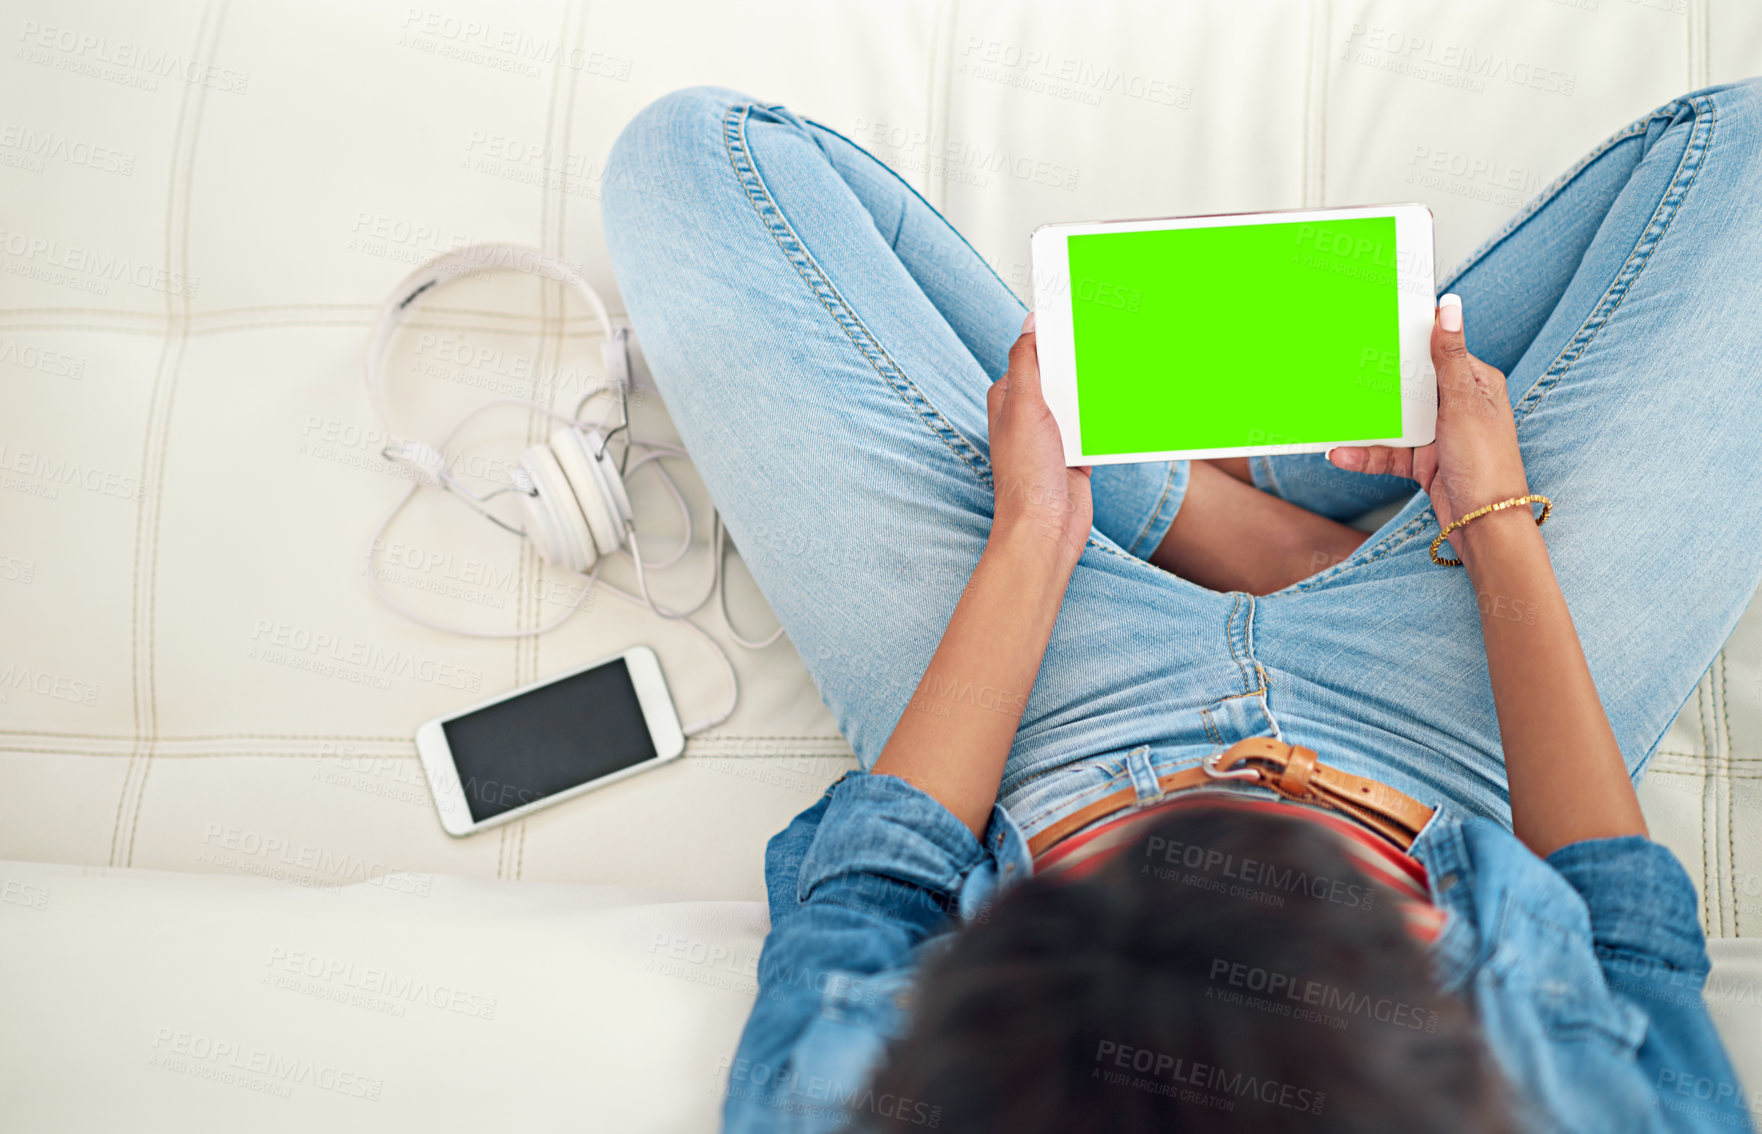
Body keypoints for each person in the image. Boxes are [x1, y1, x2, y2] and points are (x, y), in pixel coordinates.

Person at [601, 80, 1762, 1132]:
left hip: (1041, 723)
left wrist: (1033, 537)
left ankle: (1202, 501)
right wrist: (1495, 520)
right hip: (1461, 746)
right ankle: (1285, 509)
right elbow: (1618, 927)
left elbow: (881, 884)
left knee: (698, 161)